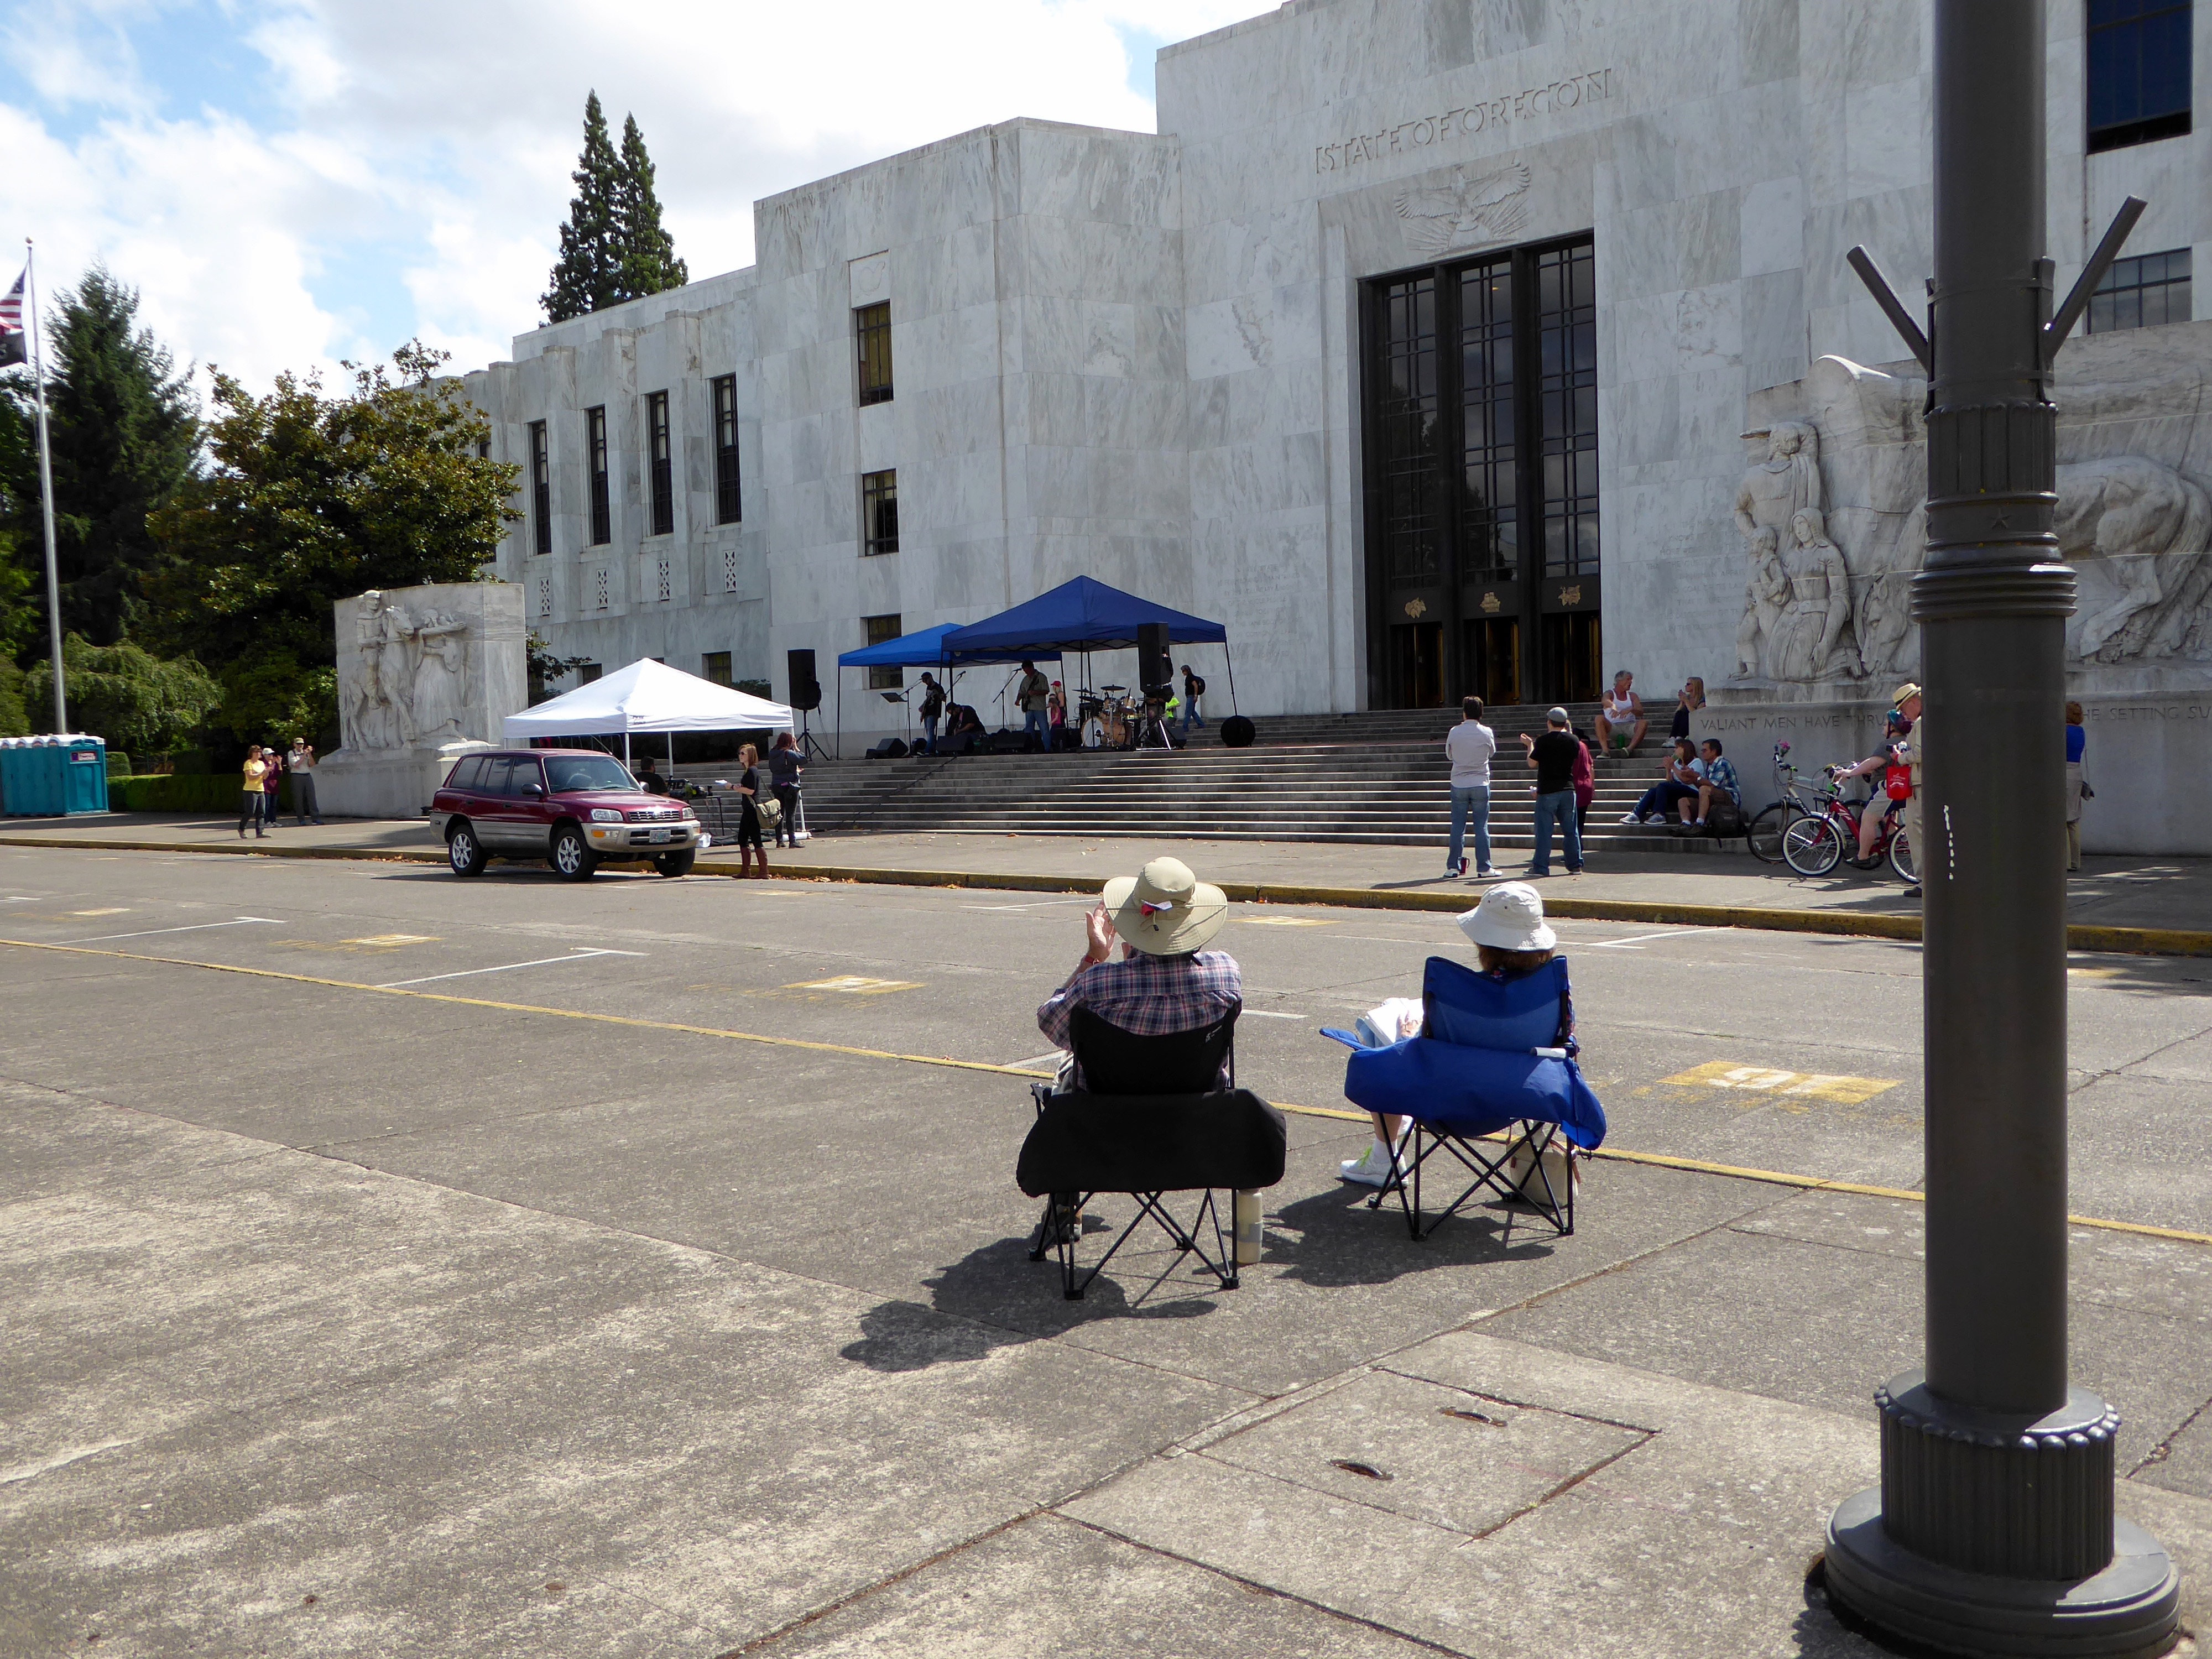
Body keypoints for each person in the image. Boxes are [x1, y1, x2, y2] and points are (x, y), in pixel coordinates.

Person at [1339, 881, 1577, 1187]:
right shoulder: (1554, 995)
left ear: (1483, 943)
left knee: (1378, 1041)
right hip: (1524, 1099)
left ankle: (1384, 1159)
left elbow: (1433, 1052)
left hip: (1445, 1102)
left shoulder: (1460, 993)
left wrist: (1408, 1035)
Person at [1036, 855, 1241, 1091]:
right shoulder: (1226, 974)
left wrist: (1095, 957)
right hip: (1195, 1114)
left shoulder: (1099, 983)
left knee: (1067, 1062)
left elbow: (1050, 1021)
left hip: (1107, 1115)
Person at [1519, 707, 1584, 876]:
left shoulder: (1543, 741)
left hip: (1547, 790)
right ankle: (1575, 865)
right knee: (1571, 830)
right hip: (1568, 789)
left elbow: (1532, 763)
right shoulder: (1574, 741)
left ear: (1549, 722)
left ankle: (1541, 867)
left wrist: (1530, 745)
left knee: (1544, 832)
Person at [1443, 695, 1499, 879]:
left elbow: (1449, 755)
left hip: (1459, 782)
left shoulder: (1454, 732)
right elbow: (1491, 753)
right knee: (1482, 826)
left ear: (1465, 712)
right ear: (1481, 713)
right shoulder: (1487, 732)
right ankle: (1484, 867)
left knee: (1457, 826)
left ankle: (1453, 867)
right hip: (1481, 782)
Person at [1624, 737, 1704, 824]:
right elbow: (1670, 781)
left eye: (1677, 748)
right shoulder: (1677, 763)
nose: (1675, 750)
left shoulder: (1696, 762)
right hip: (1678, 791)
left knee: (1662, 786)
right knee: (1653, 790)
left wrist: (1673, 767)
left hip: (1692, 791)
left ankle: (1659, 814)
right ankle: (1636, 814)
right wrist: (1668, 769)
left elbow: (1687, 780)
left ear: (1685, 748)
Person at [1893, 682, 1925, 898]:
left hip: (1920, 785)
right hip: (1920, 784)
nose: (1904, 715)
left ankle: (1925, 883)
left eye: (1904, 709)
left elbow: (1921, 753)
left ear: (1914, 703)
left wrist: (1900, 757)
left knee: (1917, 832)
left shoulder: (1921, 723)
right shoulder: (1922, 722)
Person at [1688, 738, 1739, 830]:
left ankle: (1700, 823)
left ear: (1714, 752)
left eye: (1705, 750)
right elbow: (1701, 785)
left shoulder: (1722, 763)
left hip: (1730, 798)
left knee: (1704, 789)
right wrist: (1692, 778)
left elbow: (1712, 785)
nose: (1702, 753)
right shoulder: (1709, 765)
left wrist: (1696, 777)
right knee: (1683, 801)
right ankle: (1686, 824)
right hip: (1714, 796)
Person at [734, 742, 769, 877]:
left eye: (743, 753)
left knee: (756, 839)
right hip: (748, 809)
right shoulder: (748, 771)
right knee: (743, 838)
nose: (740, 756)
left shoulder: (752, 770)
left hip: (752, 809)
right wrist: (739, 786)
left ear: (751, 755)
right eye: (740, 753)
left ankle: (763, 871)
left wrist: (734, 787)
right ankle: (746, 871)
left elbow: (751, 790)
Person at [768, 731, 804, 849]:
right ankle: (792, 841)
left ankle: (779, 841)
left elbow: (776, 768)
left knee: (779, 813)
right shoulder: (789, 753)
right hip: (790, 786)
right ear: (789, 742)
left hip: (777, 785)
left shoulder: (773, 753)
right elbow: (804, 760)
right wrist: (796, 747)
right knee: (791, 814)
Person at [1598, 670, 1646, 757]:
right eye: (1628, 679)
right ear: (1619, 681)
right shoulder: (1610, 693)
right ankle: (1605, 751)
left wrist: (1631, 709)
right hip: (1614, 727)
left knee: (1643, 723)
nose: (1630, 682)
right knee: (1599, 718)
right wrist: (1613, 706)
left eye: (1631, 680)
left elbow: (1640, 711)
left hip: (1629, 726)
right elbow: (1605, 700)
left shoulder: (1632, 695)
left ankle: (1629, 749)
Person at [2065, 700, 2088, 874]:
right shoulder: (2080, 732)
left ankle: (2064, 861)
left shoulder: (2063, 731)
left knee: (2061, 819)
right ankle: (2075, 861)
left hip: (2064, 772)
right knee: (2073, 820)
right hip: (2077, 773)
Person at [1016, 660, 1052, 750]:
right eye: (1025, 671)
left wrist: (1035, 693)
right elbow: (1021, 691)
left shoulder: (1041, 677)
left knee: (1044, 729)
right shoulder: (1025, 680)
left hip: (1039, 708)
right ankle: (1030, 748)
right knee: (1029, 729)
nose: (1026, 673)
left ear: (1032, 668)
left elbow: (1046, 690)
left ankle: (1048, 749)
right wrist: (1018, 700)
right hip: (1029, 708)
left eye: (1027, 671)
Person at [1569, 723, 1597, 836]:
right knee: (1580, 822)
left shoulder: (1571, 747)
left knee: (1571, 824)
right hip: (1586, 786)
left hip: (1573, 787)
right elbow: (1591, 768)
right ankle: (1578, 849)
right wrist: (1593, 785)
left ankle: (1574, 851)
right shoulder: (1584, 747)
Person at [286, 738, 322, 825]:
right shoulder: (292, 753)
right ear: (294, 744)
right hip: (297, 775)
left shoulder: (306, 753)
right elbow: (296, 765)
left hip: (307, 775)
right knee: (299, 798)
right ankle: (301, 819)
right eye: (298, 744)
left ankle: (315, 818)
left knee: (312, 797)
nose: (300, 746)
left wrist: (309, 754)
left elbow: (312, 764)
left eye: (302, 744)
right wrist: (304, 755)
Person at [238, 745, 269, 838]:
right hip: (250, 790)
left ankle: (260, 832)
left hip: (260, 789)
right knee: (250, 811)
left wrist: (267, 772)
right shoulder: (248, 763)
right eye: (255, 752)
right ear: (251, 753)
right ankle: (242, 828)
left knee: (262, 811)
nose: (258, 754)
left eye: (259, 752)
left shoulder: (261, 763)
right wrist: (261, 773)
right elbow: (250, 776)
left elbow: (265, 777)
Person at [916, 672, 945, 755]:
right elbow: (928, 699)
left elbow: (943, 699)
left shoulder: (938, 687)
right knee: (928, 730)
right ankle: (933, 746)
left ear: (931, 678)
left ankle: (929, 749)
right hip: (927, 712)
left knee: (931, 730)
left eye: (926, 680)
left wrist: (939, 694)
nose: (925, 682)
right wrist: (922, 706)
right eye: (924, 681)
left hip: (934, 712)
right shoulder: (928, 688)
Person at [1670, 677, 1705, 744]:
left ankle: (1680, 737)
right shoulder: (1688, 697)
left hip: (1694, 725)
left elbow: (1695, 714)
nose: (1686, 686)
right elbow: (1677, 713)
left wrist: (1686, 701)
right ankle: (1672, 738)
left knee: (1686, 714)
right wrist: (1682, 702)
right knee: (1680, 713)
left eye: (1688, 684)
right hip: (1684, 724)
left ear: (1695, 686)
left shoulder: (1702, 699)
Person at [261, 742, 285, 827]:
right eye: (269, 754)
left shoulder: (274, 763)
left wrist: (279, 764)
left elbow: (280, 773)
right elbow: (267, 774)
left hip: (274, 786)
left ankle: (273, 820)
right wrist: (272, 766)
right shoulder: (263, 764)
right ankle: (266, 821)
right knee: (267, 805)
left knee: (274, 805)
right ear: (265, 755)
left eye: (272, 754)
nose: (271, 756)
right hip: (267, 786)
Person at [1180, 663, 1207, 734]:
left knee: (1188, 712)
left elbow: (1196, 686)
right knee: (1192, 712)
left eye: (1183, 671)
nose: (1183, 673)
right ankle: (1201, 724)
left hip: (1191, 696)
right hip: (1190, 696)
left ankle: (1185, 727)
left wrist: (1195, 696)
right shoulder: (1189, 678)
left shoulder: (1191, 678)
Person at [1047, 680, 1068, 749]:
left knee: (1060, 729)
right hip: (1058, 712)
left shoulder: (1060, 694)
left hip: (1060, 713)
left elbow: (1062, 704)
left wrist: (1055, 705)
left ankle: (1063, 745)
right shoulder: (1057, 694)